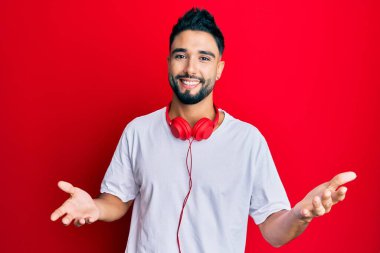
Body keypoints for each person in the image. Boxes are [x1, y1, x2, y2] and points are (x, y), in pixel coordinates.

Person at [50, 8, 357, 253]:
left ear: (219, 69)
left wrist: (299, 216)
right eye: (181, 55)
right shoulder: (138, 132)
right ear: (169, 62)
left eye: (204, 58)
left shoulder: (248, 142)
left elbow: (274, 232)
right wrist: (95, 208)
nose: (190, 68)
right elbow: (117, 201)